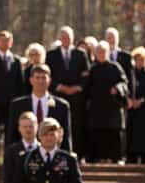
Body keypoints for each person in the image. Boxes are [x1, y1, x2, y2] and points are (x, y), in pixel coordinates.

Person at [46, 26, 90, 159]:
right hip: (57, 96)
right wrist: (59, 87)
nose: (66, 40)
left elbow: (86, 75)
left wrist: (78, 87)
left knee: (76, 125)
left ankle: (77, 153)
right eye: (63, 37)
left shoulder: (80, 54)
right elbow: (48, 75)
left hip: (76, 97)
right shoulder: (51, 55)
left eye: (69, 37)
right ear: (60, 38)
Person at [7, 64, 72, 150]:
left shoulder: (62, 106)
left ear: (49, 80)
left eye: (44, 78)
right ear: (31, 80)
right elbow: (11, 134)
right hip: (24, 155)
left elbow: (66, 136)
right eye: (37, 78)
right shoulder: (17, 105)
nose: (40, 81)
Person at [84, 41, 129, 163]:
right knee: (97, 133)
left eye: (103, 52)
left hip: (113, 107)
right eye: (99, 52)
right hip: (97, 107)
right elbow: (86, 88)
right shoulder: (92, 69)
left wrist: (118, 88)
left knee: (114, 133)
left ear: (108, 53)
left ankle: (117, 158)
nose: (101, 54)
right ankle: (97, 158)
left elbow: (124, 83)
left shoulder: (115, 67)